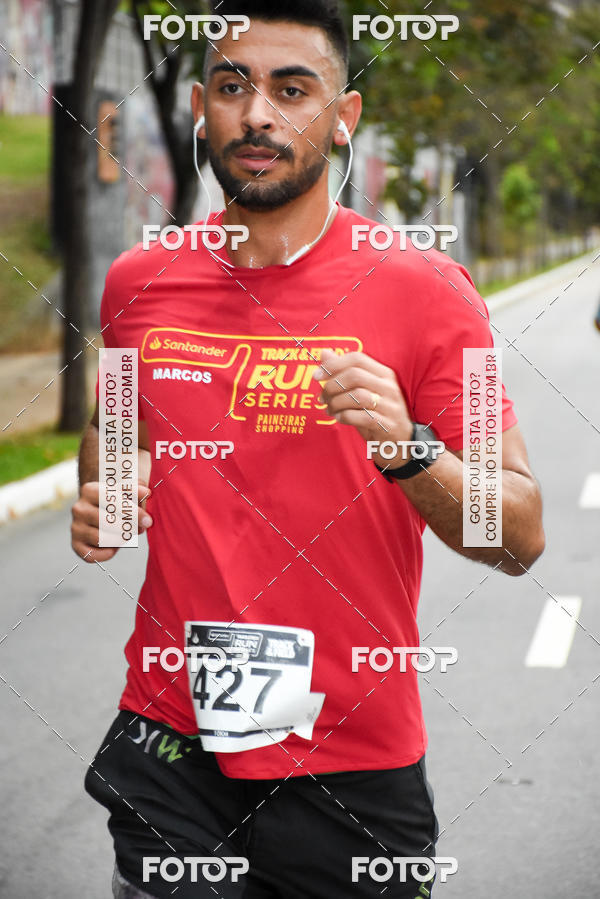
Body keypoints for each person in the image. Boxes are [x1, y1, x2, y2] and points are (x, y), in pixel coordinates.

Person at [71, 1, 545, 896]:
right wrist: (104, 496)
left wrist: (408, 449)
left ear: (343, 118)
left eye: (293, 91)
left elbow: (517, 531)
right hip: (170, 742)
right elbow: (113, 450)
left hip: (352, 768)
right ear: (202, 109)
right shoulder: (138, 285)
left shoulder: (432, 291)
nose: (258, 115)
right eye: (231, 87)